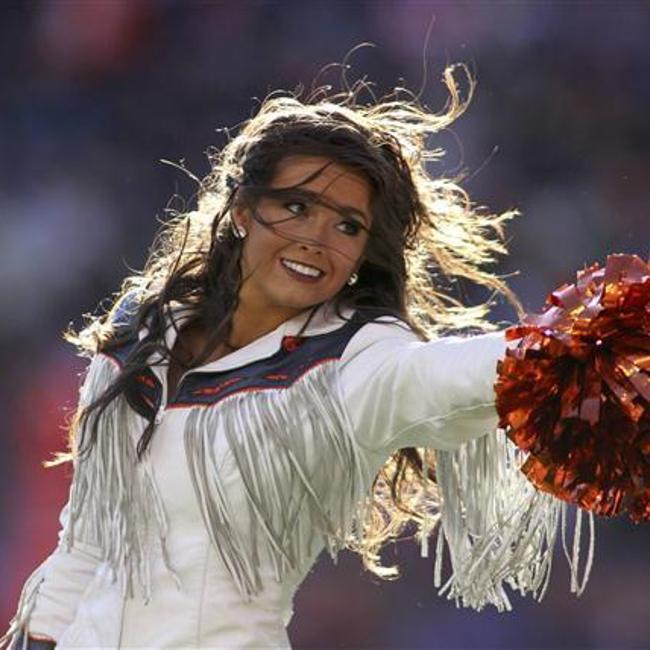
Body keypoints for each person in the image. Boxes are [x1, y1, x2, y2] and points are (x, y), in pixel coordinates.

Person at [1, 64, 592, 649]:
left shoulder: (353, 359)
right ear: (241, 211)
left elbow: (439, 376)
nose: (316, 238)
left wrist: (565, 344)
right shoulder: (141, 332)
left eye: (348, 226)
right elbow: (86, 541)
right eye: (296, 207)